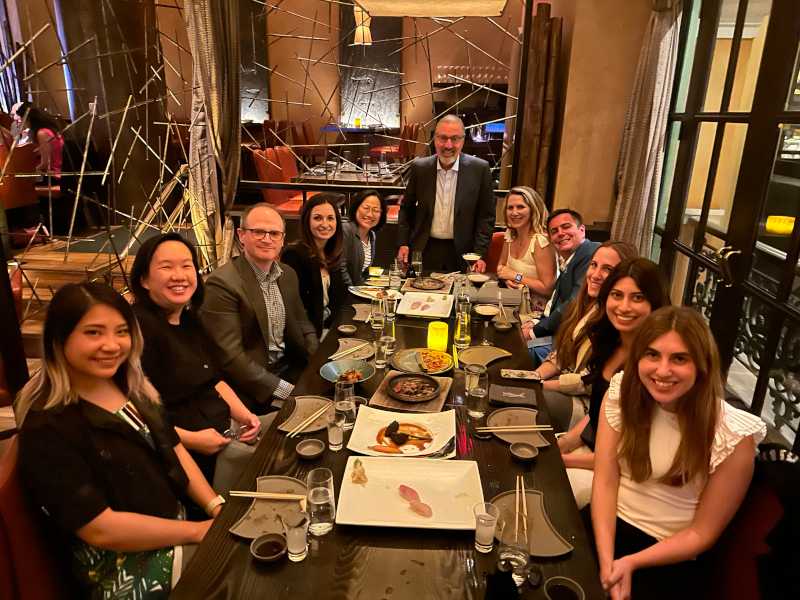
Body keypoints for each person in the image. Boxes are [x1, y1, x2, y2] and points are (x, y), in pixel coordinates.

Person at [15, 282, 221, 598]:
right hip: (125, 569)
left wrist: (214, 505)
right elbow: (100, 528)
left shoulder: (132, 388)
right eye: (93, 333)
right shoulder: (48, 426)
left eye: (121, 331)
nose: (111, 345)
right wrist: (197, 532)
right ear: (59, 339)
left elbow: (173, 446)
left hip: (174, 529)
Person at [591, 306, 766, 600]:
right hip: (606, 529)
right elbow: (606, 480)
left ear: (702, 365)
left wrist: (630, 563)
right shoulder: (623, 394)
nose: (662, 371)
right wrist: (607, 558)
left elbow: (701, 534)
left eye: (679, 359)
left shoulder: (733, 434)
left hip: (668, 556)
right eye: (652, 355)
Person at [130, 232, 272, 494]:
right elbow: (133, 417)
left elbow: (214, 380)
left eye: (186, 266)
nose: (179, 275)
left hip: (224, 432)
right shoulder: (137, 331)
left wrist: (246, 417)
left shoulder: (190, 319)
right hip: (189, 457)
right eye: (166, 267)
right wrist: (193, 440)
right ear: (144, 279)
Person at [559, 258, 670, 508]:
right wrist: (565, 442)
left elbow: (629, 456)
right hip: (592, 452)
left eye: (638, 298)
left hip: (625, 474)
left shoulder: (655, 364)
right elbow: (599, 413)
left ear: (656, 303)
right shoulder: (612, 343)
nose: (624, 307)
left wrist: (565, 460)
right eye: (617, 295)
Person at [200, 203, 318, 413]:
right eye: (258, 232)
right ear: (241, 235)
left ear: (282, 239)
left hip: (288, 367)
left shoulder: (288, 273)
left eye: (274, 233)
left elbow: (303, 323)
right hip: (248, 386)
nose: (267, 239)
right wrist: (285, 390)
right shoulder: (222, 284)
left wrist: (317, 365)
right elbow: (231, 358)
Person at [534, 241, 638, 432]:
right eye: (593, 265)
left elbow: (588, 383)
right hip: (566, 385)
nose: (595, 275)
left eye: (607, 269)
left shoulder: (618, 320)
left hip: (587, 406)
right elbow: (562, 352)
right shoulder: (588, 305)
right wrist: (534, 377)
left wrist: (543, 386)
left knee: (530, 402)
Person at [396, 114, 496, 273]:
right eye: (443, 138)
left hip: (464, 253)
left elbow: (486, 217)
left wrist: (479, 254)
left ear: (463, 140)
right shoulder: (420, 168)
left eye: (455, 138)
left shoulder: (480, 169)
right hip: (424, 248)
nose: (448, 145)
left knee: (459, 296)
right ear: (434, 139)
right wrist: (403, 243)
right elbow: (406, 209)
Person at [522, 209, 599, 365]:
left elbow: (572, 302)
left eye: (566, 227)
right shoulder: (573, 257)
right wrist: (538, 322)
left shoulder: (591, 254)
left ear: (582, 230)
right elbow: (558, 298)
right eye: (554, 231)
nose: (561, 233)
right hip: (554, 324)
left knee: (520, 350)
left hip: (574, 337)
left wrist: (534, 331)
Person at [281, 193, 347, 338]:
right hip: (308, 337)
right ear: (307, 221)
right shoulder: (294, 255)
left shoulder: (331, 254)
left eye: (330, 218)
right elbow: (292, 310)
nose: (325, 224)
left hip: (330, 329)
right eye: (317, 218)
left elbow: (338, 300)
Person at [494, 186, 557, 312]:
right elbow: (501, 268)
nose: (514, 212)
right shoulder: (510, 234)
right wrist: (507, 279)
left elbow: (547, 288)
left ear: (533, 209)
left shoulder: (540, 241)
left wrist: (515, 276)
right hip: (512, 302)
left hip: (535, 311)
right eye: (510, 208)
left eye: (520, 207)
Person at [341, 189, 387, 286]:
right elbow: (341, 268)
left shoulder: (372, 235)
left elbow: (365, 271)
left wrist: (387, 276)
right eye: (366, 208)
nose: (370, 214)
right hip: (345, 293)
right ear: (356, 207)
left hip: (359, 290)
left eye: (376, 210)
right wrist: (353, 292)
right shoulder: (345, 230)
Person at [10, 100, 64, 178]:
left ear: (28, 118)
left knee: (15, 180)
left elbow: (45, 164)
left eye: (22, 118)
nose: (21, 122)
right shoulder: (48, 129)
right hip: (56, 171)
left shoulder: (42, 133)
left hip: (53, 174)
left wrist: (28, 172)